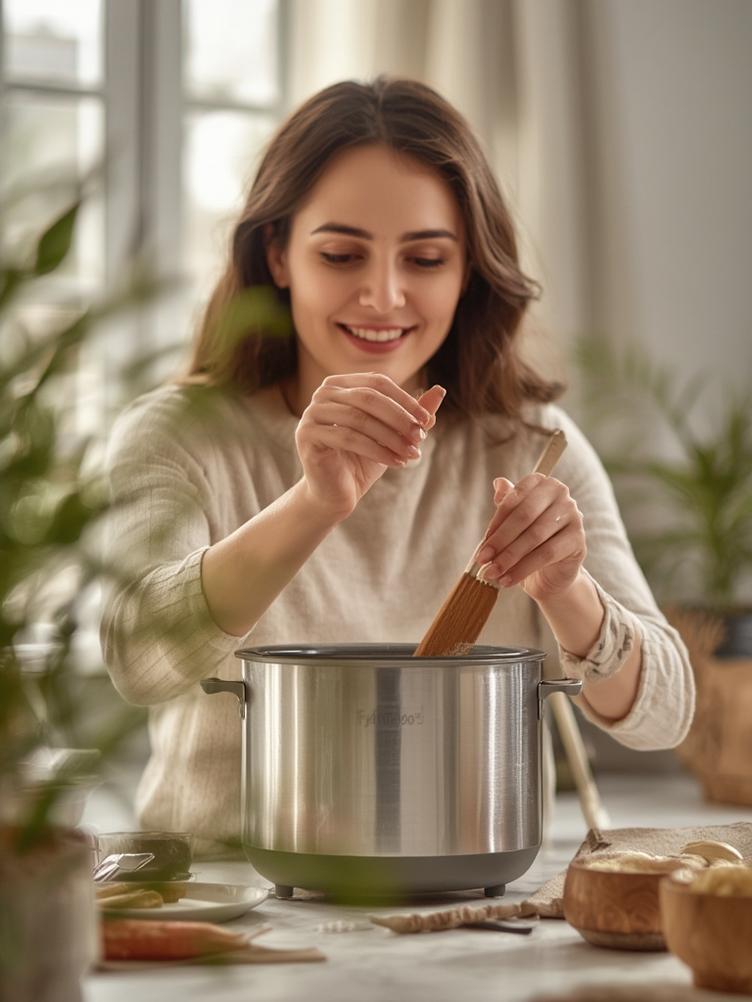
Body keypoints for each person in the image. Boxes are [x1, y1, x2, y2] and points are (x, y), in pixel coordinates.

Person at [101, 76, 694, 853]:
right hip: (223, 905)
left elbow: (665, 716)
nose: (383, 296)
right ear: (277, 254)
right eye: (342, 254)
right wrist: (315, 502)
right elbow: (137, 659)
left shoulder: (531, 446)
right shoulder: (180, 434)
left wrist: (566, 590)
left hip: (472, 910)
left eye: (425, 258)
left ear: (468, 271)